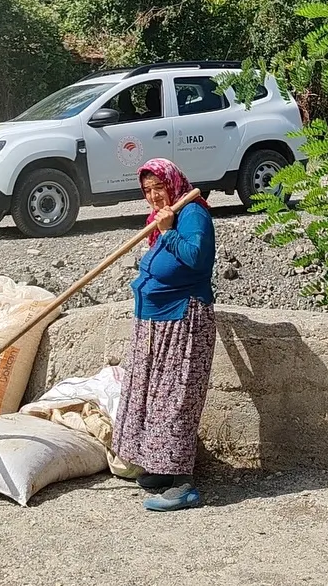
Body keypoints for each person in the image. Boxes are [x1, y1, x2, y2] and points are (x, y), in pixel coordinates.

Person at [111, 158, 217, 511]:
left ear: (173, 183)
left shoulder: (192, 213)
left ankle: (182, 484)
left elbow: (197, 258)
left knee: (176, 401)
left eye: (159, 187)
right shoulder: (165, 215)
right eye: (147, 190)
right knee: (153, 398)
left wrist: (170, 231)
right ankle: (161, 468)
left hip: (183, 322)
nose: (154, 196)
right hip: (156, 322)